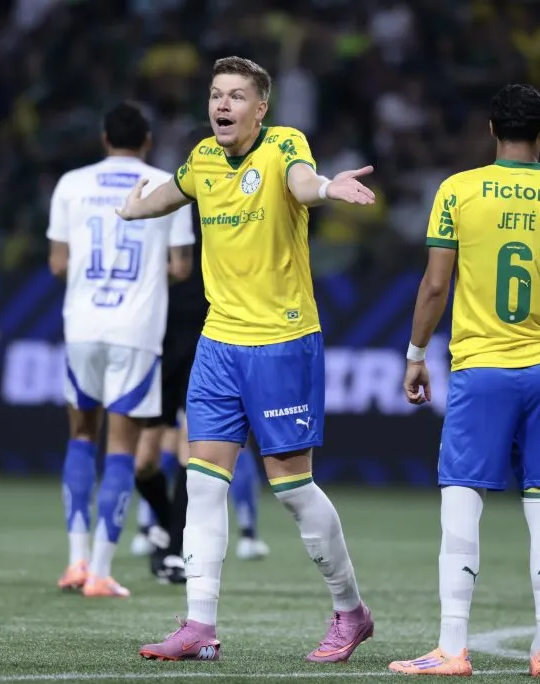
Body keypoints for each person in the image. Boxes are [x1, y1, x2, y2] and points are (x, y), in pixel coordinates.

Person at [119, 56, 376, 663]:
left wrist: (328, 189)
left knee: (291, 489)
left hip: (282, 342)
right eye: (215, 95)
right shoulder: (204, 157)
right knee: (204, 483)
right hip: (219, 343)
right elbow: (172, 193)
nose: (223, 105)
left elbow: (302, 182)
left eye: (236, 96)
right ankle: (198, 625)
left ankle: (350, 611)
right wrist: (134, 209)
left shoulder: (284, 145)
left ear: (261, 107)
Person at [390, 84, 540, 678]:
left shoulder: (458, 191)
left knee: (462, 500)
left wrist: (415, 354)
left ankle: (452, 648)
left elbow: (436, 286)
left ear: (490, 130)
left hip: (480, 371)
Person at [49, 102, 194, 598]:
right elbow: (180, 268)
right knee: (121, 448)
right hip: (135, 329)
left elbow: (57, 262)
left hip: (82, 325)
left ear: (104, 138)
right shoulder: (167, 183)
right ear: (148, 140)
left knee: (80, 437)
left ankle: (75, 561)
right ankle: (101, 573)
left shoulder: (71, 183)